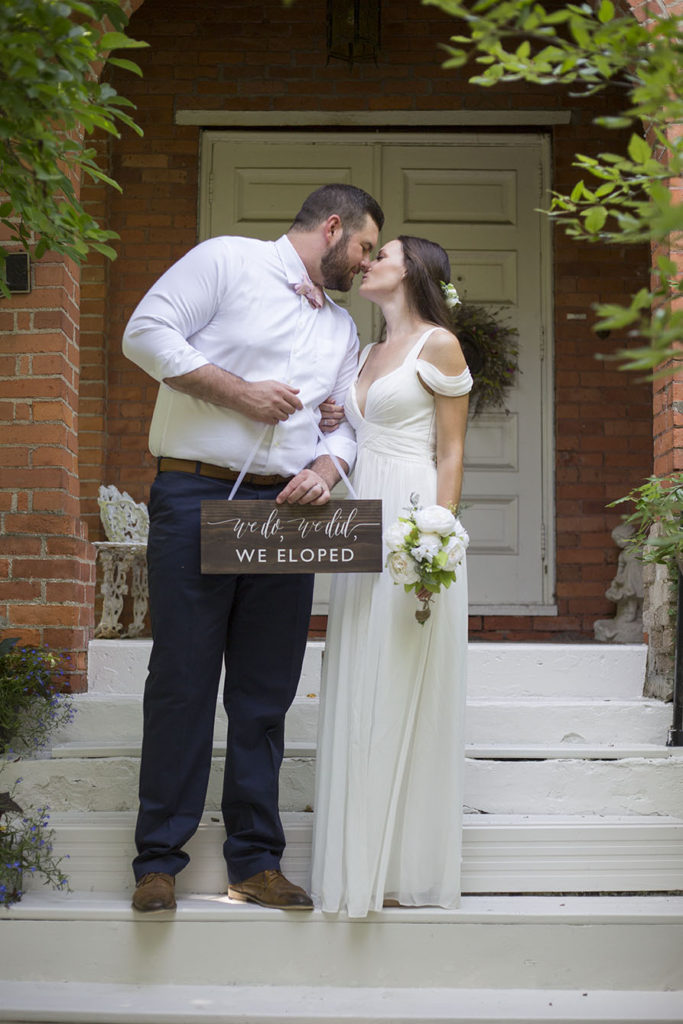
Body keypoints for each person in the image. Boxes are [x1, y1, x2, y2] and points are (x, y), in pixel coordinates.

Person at [122, 184, 384, 913]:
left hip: (287, 513)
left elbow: (341, 425)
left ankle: (255, 863)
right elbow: (144, 334)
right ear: (332, 227)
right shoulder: (225, 260)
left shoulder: (340, 329)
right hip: (195, 494)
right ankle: (157, 862)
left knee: (264, 692)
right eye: (363, 247)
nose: (364, 265)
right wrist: (238, 394)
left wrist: (326, 469)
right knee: (182, 680)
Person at [311, 235, 473, 918]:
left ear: (415, 273)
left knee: (403, 683)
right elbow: (358, 427)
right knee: (357, 679)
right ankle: (356, 862)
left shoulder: (437, 344)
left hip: (411, 523)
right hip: (359, 515)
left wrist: (434, 533)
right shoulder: (364, 351)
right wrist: (334, 412)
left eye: (385, 253)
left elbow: (452, 448)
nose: (369, 261)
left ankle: (403, 864)